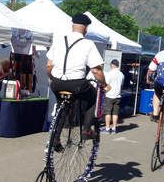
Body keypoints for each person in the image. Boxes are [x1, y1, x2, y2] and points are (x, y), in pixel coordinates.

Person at [46, 13, 109, 146]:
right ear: (86, 29)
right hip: (76, 85)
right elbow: (96, 70)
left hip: (56, 83)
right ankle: (86, 130)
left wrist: (52, 78)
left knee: (62, 106)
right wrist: (104, 84)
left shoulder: (59, 41)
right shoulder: (88, 44)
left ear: (72, 26)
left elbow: (49, 65)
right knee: (93, 97)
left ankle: (56, 138)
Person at [101, 59, 124, 134]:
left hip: (109, 95)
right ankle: (114, 128)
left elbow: (106, 84)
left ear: (112, 65)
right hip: (118, 96)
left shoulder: (109, 73)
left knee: (108, 113)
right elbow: (121, 85)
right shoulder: (121, 74)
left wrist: (104, 91)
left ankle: (107, 129)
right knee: (115, 113)